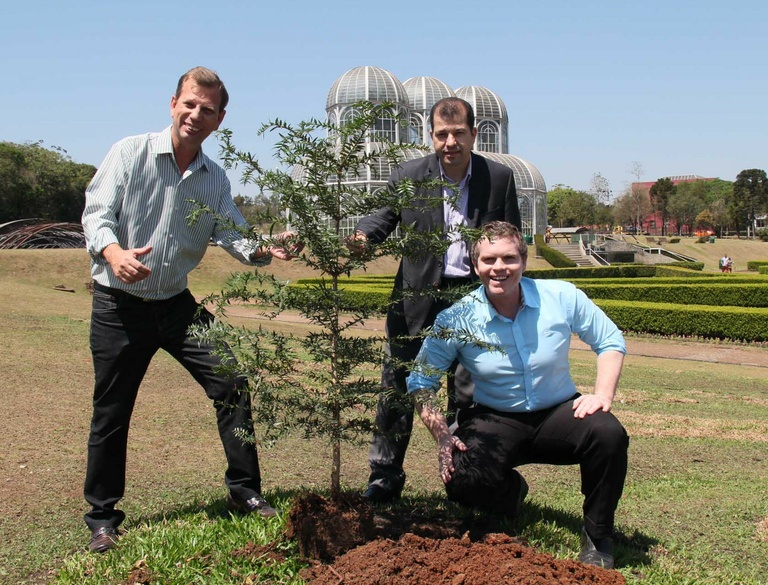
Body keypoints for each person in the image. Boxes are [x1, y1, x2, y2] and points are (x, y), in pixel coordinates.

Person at [81, 66, 299, 553]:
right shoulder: (129, 152)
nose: (195, 115)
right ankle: (102, 518)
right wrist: (114, 254)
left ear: (220, 120)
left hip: (176, 305)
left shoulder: (213, 178)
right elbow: (97, 215)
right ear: (173, 104)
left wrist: (269, 248)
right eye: (189, 104)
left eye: (208, 109)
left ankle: (244, 492)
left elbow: (236, 236)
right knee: (112, 412)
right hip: (118, 306)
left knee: (231, 381)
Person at [407, 221, 629, 569]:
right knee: (460, 475)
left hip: (559, 411)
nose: (499, 268)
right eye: (489, 259)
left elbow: (610, 341)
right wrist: (440, 436)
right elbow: (422, 381)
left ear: (523, 261)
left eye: (509, 258)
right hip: (495, 416)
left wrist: (602, 394)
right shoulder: (457, 318)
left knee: (608, 433)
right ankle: (510, 494)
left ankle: (598, 536)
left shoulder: (562, 296)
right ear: (475, 264)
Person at [350, 97, 521, 502]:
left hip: (472, 300)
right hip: (415, 298)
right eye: (442, 134)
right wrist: (361, 236)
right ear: (431, 136)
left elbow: (511, 235)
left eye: (458, 134)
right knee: (398, 386)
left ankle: (465, 475)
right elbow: (383, 217)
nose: (450, 143)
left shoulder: (498, 178)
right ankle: (385, 475)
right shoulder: (409, 174)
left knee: (469, 391)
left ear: (473, 134)